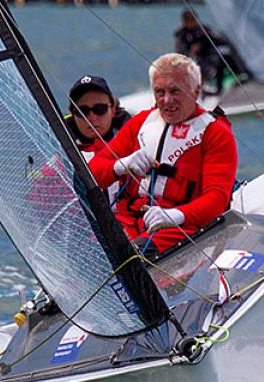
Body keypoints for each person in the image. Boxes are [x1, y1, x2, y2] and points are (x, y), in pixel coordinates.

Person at [88, 53, 238, 256]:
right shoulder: (141, 122)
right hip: (129, 220)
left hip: (181, 228)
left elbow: (216, 200)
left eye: (175, 91)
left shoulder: (216, 133)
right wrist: (120, 165)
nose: (167, 100)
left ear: (195, 92)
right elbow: (93, 172)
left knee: (133, 255)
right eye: (160, 92)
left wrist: (175, 216)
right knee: (88, 249)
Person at [173, 9, 241, 94]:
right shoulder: (182, 35)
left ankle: (239, 77)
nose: (192, 22)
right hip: (197, 59)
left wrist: (201, 44)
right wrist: (190, 51)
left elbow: (221, 40)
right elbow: (180, 51)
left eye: (193, 19)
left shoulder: (204, 30)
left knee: (225, 57)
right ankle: (200, 91)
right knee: (196, 68)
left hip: (211, 55)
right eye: (188, 20)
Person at [63, 75, 129, 157]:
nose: (92, 118)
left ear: (112, 110)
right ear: (73, 115)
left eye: (100, 109)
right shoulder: (61, 151)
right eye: (82, 111)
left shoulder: (136, 141)